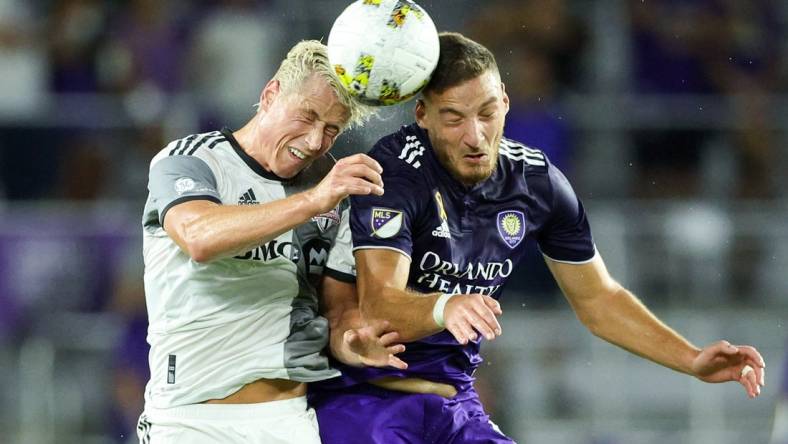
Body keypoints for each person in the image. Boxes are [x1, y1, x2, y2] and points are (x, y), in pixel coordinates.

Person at [309, 32, 766, 444]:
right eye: (454, 118)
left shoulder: (538, 182)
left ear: (506, 102)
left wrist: (690, 359)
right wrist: (445, 305)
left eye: (487, 113)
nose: (475, 136)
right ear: (422, 115)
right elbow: (379, 305)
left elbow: (599, 300)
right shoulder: (392, 171)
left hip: (455, 407)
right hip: (364, 403)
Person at [137, 40, 406, 444]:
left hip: (288, 422)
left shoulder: (335, 193)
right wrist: (313, 200)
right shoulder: (190, 160)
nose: (315, 141)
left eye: (332, 129)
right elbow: (199, 236)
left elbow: (338, 313)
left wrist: (354, 342)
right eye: (307, 116)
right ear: (270, 95)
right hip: (188, 422)